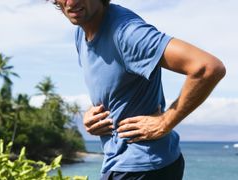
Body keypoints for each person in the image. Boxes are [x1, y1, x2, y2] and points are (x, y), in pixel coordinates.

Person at [50, 0, 226, 179]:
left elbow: (208, 68)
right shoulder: (81, 31)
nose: (71, 2)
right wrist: (92, 114)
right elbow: (112, 84)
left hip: (144, 167)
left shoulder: (128, 33)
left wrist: (165, 122)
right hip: (123, 162)